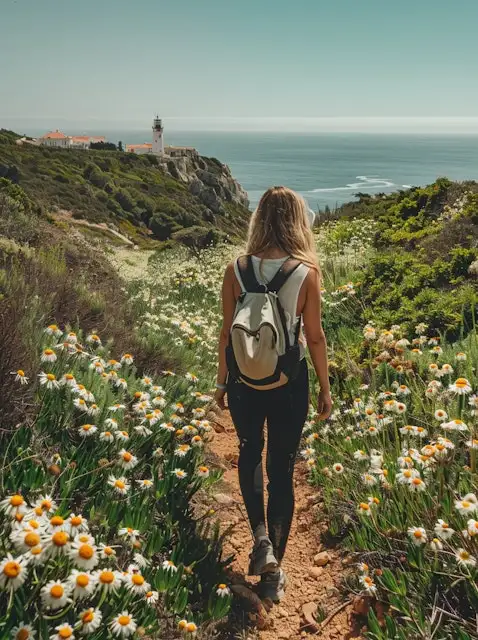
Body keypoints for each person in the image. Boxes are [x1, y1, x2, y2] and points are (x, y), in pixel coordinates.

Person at [214, 186, 332, 602]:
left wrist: (221, 381)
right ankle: (272, 574)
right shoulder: (305, 272)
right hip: (289, 383)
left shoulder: (236, 269)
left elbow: (227, 332)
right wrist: (325, 389)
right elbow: (314, 337)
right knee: (281, 469)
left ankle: (260, 538)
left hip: (245, 383)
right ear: (297, 221)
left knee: (249, 452)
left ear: (259, 219)